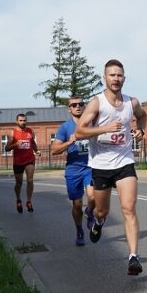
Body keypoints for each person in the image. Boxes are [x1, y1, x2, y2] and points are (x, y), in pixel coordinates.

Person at [76, 59, 147, 276]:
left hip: (124, 161)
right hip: (101, 165)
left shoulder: (131, 103)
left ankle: (133, 257)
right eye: (112, 75)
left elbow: (143, 117)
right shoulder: (96, 103)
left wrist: (141, 131)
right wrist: (105, 127)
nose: (116, 79)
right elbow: (80, 132)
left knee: (129, 208)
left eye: (119, 75)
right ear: (104, 78)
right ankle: (98, 221)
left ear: (124, 78)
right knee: (102, 209)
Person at [51, 96, 97, 246]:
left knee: (92, 197)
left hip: (90, 167)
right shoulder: (65, 128)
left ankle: (90, 213)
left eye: (81, 104)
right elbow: (55, 150)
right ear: (69, 109)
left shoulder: (91, 123)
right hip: (73, 169)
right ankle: (79, 230)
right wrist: (70, 141)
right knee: (77, 205)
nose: (78, 106)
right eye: (74, 105)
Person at [5, 113, 41, 213]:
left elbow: (33, 143)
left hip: (29, 160)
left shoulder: (30, 131)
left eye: (24, 120)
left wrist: (37, 151)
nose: (23, 122)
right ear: (17, 121)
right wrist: (16, 144)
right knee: (19, 183)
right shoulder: (13, 133)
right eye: (21, 120)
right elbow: (7, 148)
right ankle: (18, 200)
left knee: (30, 181)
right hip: (18, 161)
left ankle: (29, 202)